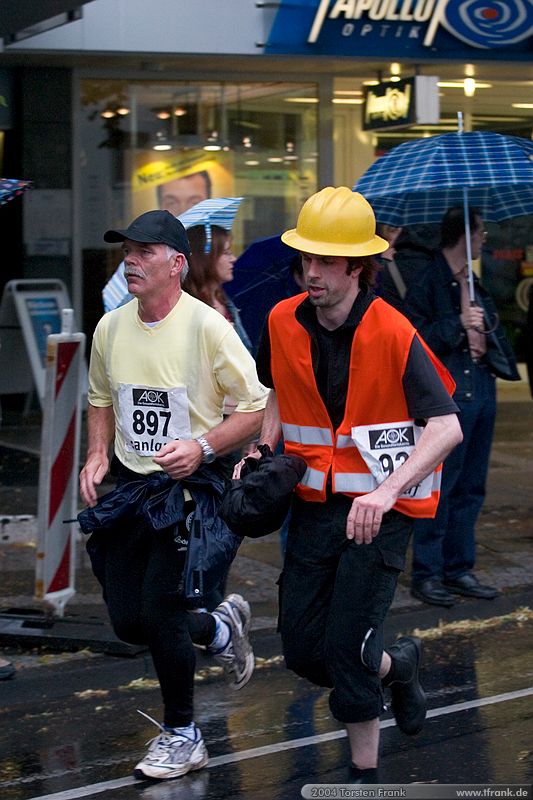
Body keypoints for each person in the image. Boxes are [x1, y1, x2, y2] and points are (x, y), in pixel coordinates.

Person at [235, 187, 463, 783]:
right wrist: (264, 445)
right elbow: (278, 389)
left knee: (345, 647)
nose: (311, 272)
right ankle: (398, 667)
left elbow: (446, 428)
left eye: (325, 261)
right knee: (301, 647)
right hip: (312, 504)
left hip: (381, 514)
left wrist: (387, 492)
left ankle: (365, 776)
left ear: (357, 267)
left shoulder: (393, 332)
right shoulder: (282, 320)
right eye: (305, 259)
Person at [79, 209, 268, 781]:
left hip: (192, 490)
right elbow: (100, 397)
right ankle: (219, 629)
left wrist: (204, 447)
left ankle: (184, 734)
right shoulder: (111, 328)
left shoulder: (207, 326)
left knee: (160, 612)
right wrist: (96, 453)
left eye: (144, 251)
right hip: (134, 489)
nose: (130, 261)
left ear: (177, 265)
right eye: (126, 251)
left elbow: (256, 407)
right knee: (128, 621)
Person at [404, 206, 520, 607]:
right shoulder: (428, 281)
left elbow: (495, 337)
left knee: (472, 488)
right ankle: (429, 573)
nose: (485, 238)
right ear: (463, 235)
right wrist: (458, 323)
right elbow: (414, 340)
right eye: (480, 230)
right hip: (449, 399)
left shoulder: (476, 283)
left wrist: (483, 326)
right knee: (443, 487)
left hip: (481, 392)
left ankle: (459, 569)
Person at [183, 223, 252, 352]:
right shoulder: (186, 307)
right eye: (226, 253)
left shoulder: (223, 300)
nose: (233, 259)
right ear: (205, 259)